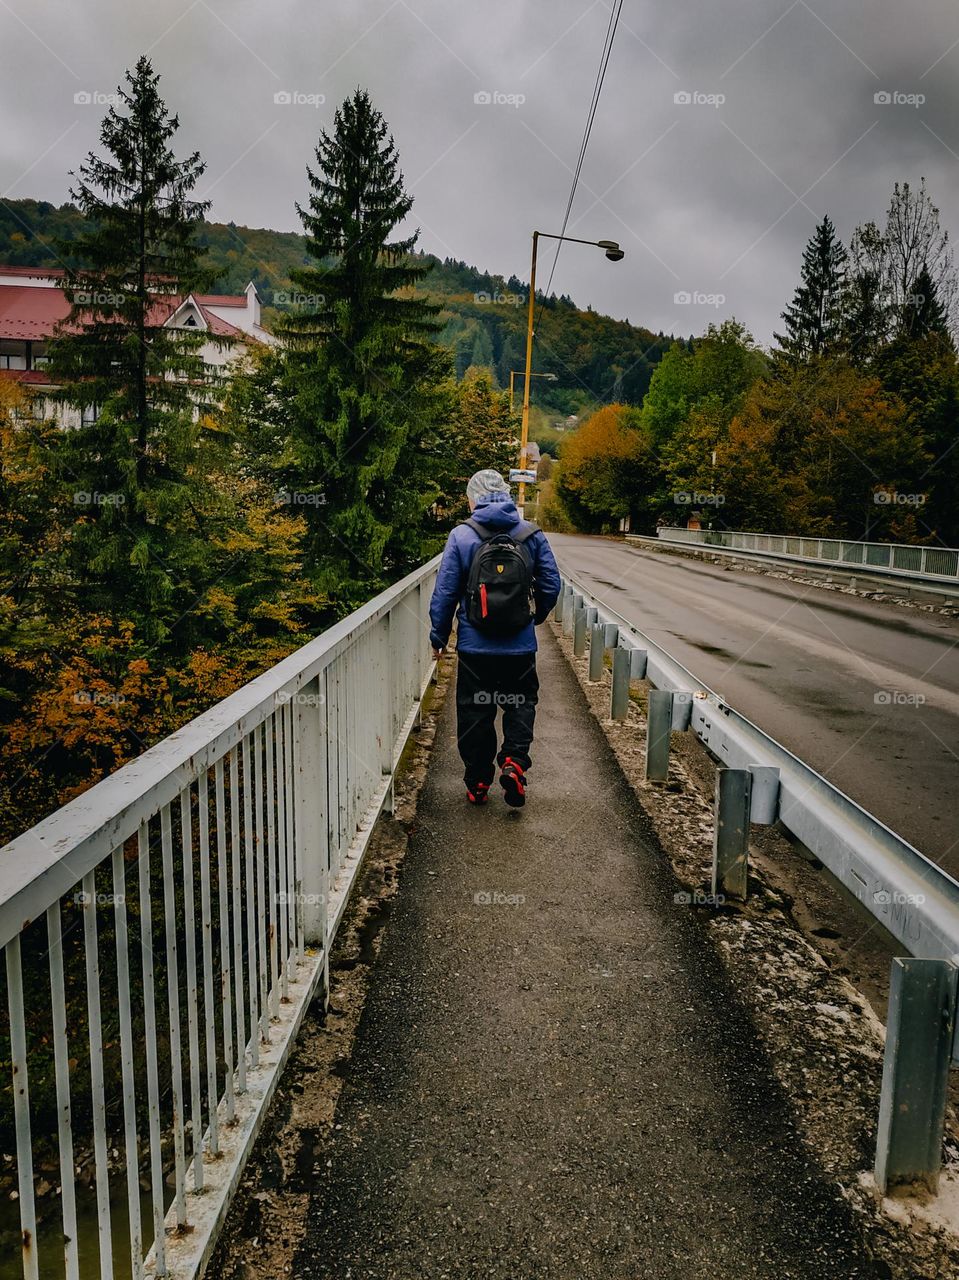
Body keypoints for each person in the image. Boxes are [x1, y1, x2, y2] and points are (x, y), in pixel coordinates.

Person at [429, 469, 561, 808]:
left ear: (473, 499)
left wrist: (439, 635)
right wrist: (534, 619)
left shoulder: (461, 535)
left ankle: (477, 782)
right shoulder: (531, 533)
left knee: (475, 713)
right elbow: (550, 585)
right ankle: (515, 761)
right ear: (505, 495)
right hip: (519, 646)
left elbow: (445, 592)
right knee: (520, 703)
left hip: (476, 647)